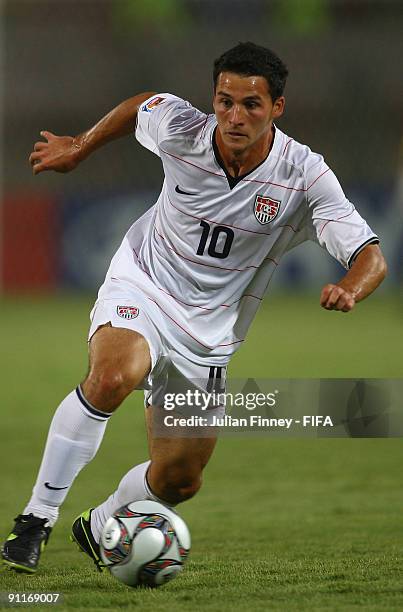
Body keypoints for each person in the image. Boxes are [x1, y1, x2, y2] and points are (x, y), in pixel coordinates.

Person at [2, 42, 386, 574]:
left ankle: (100, 524)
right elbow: (144, 104)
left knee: (180, 479)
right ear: (213, 99)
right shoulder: (183, 130)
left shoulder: (304, 173)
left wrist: (351, 286)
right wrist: (82, 146)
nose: (234, 116)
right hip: (144, 282)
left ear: (278, 107)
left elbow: (370, 254)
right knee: (114, 375)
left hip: (208, 330)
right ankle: (35, 521)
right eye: (224, 101)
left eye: (251, 104)